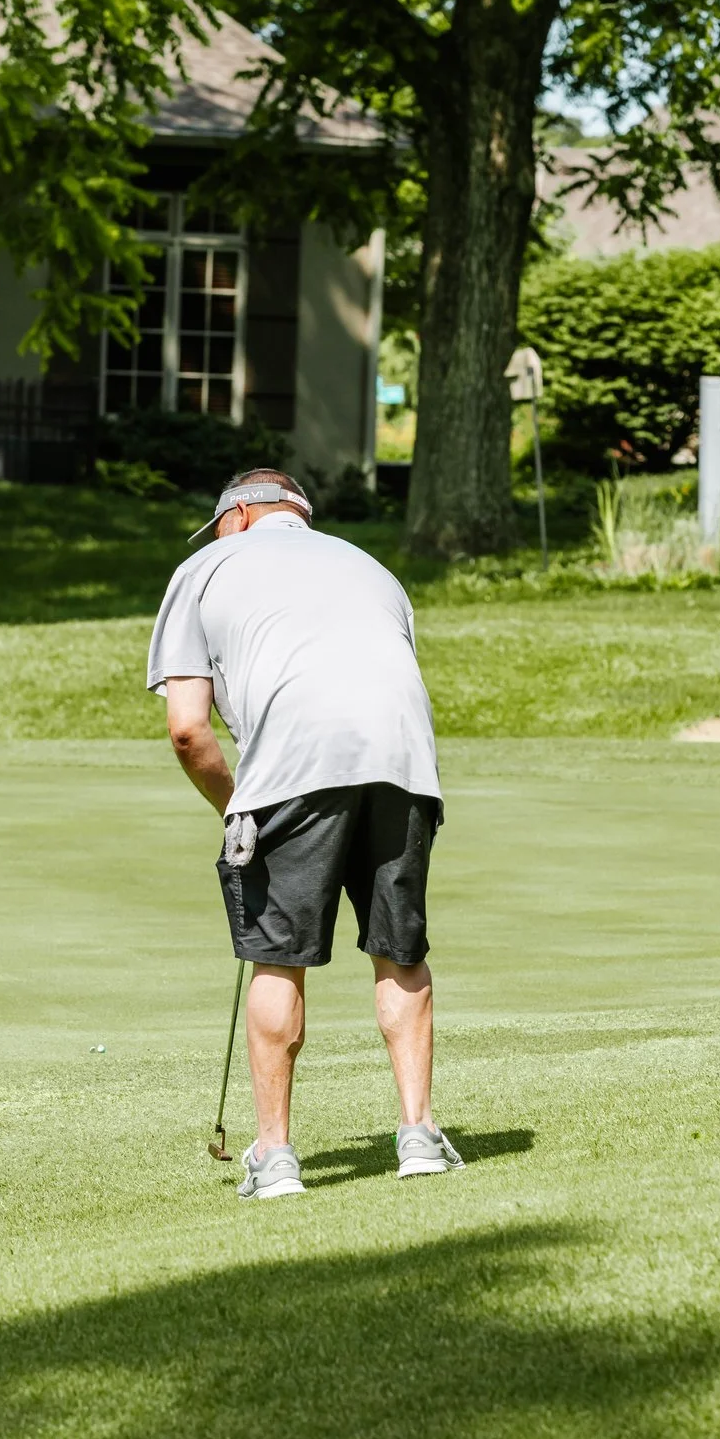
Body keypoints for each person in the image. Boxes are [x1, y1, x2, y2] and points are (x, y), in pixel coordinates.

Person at [148, 468, 464, 1198]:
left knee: (277, 960)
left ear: (239, 517)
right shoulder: (371, 566)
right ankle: (418, 1136)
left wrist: (237, 806)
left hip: (293, 762)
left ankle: (275, 1156)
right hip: (406, 762)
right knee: (398, 950)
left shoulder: (204, 568)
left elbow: (188, 729)